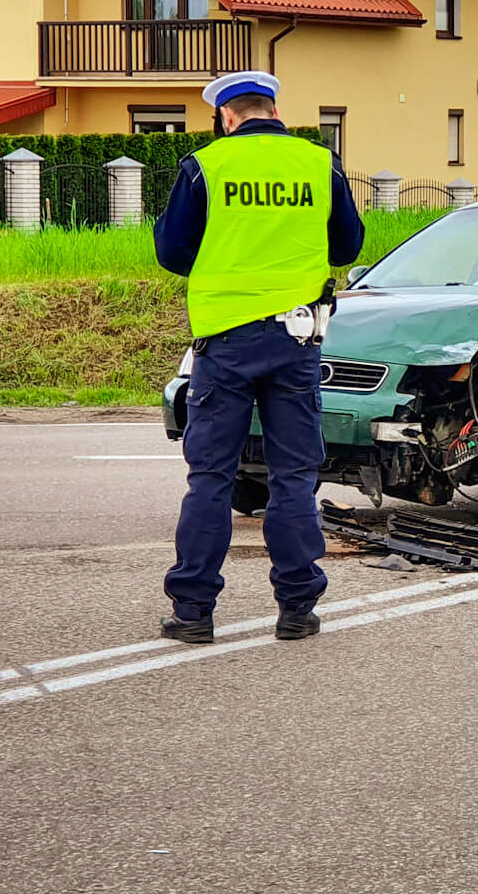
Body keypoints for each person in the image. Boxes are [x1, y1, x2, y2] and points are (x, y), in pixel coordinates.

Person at [153, 70, 364, 644]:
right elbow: (348, 246)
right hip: (297, 341)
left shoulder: (206, 165)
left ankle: (194, 613)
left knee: (212, 478)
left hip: (226, 342)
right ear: (273, 108)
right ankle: (298, 608)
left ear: (227, 115)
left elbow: (172, 252)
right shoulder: (319, 163)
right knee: (293, 476)